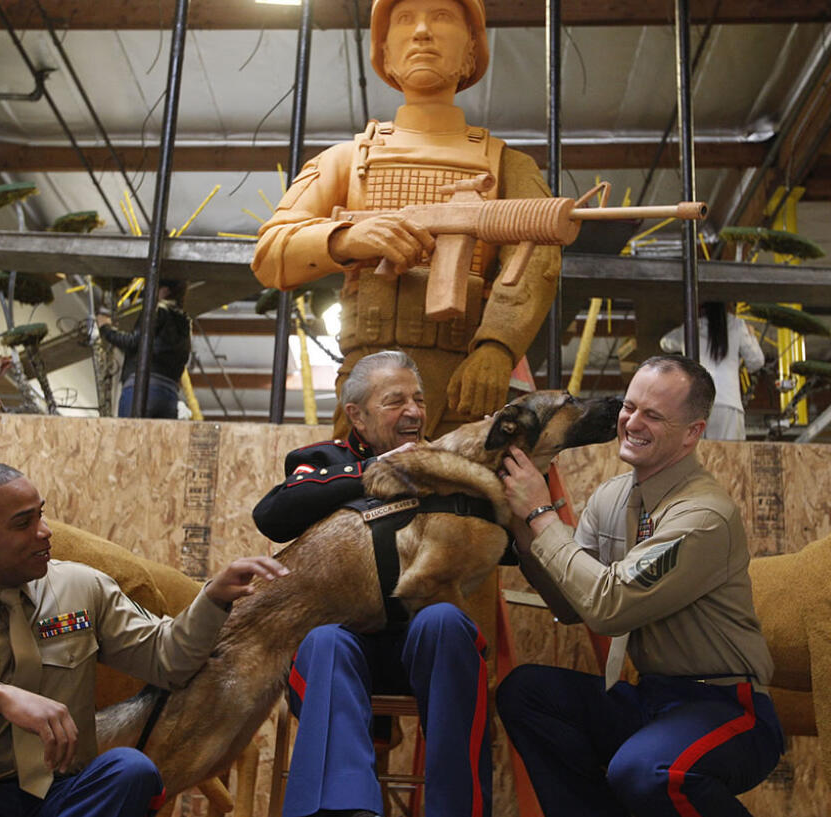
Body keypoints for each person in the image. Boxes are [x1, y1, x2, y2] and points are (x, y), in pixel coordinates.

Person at [0, 462, 288, 817]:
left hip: (62, 800)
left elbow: (167, 660)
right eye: (23, 523)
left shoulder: (80, 588)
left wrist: (213, 599)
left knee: (129, 770)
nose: (45, 531)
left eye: (42, 514)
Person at [252, 0, 559, 439]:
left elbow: (537, 260)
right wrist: (347, 238)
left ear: (472, 50)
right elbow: (270, 253)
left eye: (442, 17)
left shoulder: (509, 166)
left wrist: (497, 346)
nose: (421, 32)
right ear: (385, 53)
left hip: (465, 382)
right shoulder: (346, 161)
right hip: (371, 386)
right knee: (361, 501)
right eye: (403, 19)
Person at [495, 355, 783, 817]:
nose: (632, 422)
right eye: (630, 407)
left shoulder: (703, 516)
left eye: (654, 415)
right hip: (652, 698)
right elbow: (575, 605)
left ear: (693, 432)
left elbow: (611, 608)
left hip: (728, 706)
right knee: (526, 693)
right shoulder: (612, 497)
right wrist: (522, 536)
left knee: (645, 769)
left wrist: (540, 515)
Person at [252, 350, 491, 817]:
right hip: (344, 652)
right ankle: (341, 811)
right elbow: (273, 516)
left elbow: (507, 549)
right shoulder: (326, 460)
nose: (415, 413)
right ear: (356, 416)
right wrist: (382, 471)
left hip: (426, 649)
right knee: (322, 642)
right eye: (395, 401)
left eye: (419, 400)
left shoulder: (445, 464)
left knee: (444, 622)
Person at [659, 302, 764, 441]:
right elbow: (756, 362)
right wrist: (751, 335)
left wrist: (685, 327)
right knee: (730, 457)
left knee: (699, 456)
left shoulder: (692, 327)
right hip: (729, 404)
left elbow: (665, 343)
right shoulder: (737, 325)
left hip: (697, 403)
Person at [96, 279, 192, 419]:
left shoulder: (157, 311)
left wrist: (105, 328)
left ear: (165, 291)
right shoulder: (185, 323)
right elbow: (184, 358)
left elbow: (133, 341)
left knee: (130, 436)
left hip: (142, 389)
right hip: (169, 395)